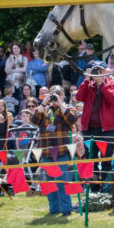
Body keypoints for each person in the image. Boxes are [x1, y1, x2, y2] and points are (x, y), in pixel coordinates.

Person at [31, 85, 78, 216]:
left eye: (58, 95)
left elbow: (72, 119)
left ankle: (66, 209)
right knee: (49, 183)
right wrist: (43, 104)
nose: (54, 98)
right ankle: (54, 209)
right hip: (46, 153)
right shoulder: (44, 110)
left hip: (62, 151)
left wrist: (61, 103)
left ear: (63, 96)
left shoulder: (68, 109)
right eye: (53, 95)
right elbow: (34, 121)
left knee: (62, 182)